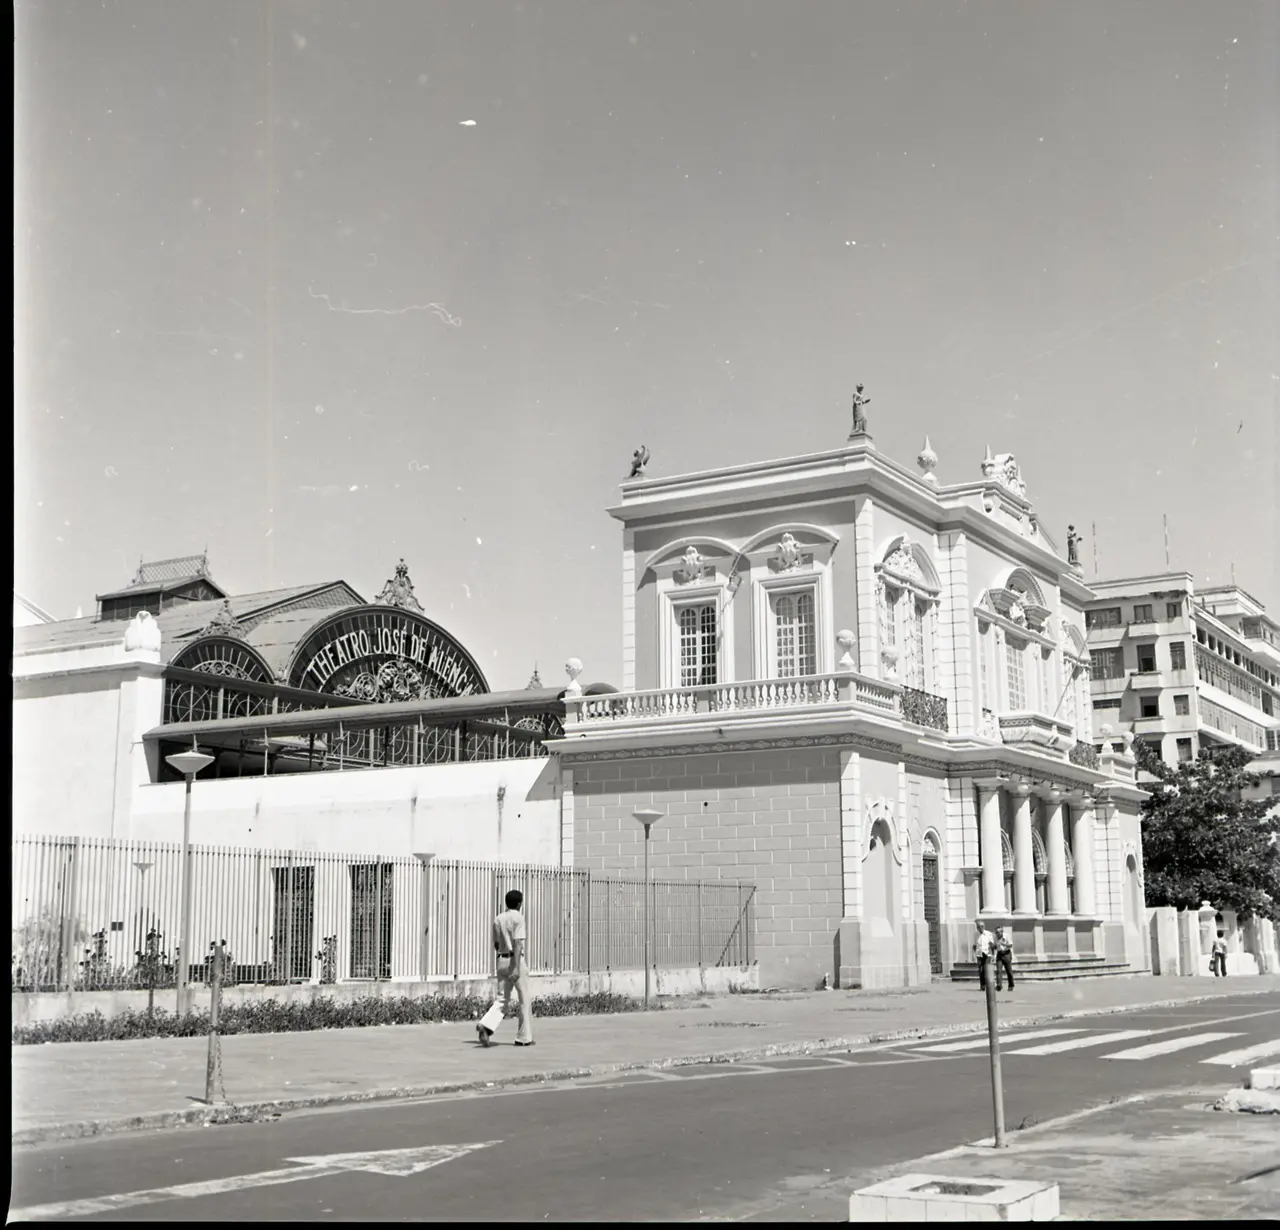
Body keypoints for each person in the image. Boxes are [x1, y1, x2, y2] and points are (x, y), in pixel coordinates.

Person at [477, 889, 534, 1047]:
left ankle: (486, 1024)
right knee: (524, 999)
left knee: (502, 998)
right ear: (519, 903)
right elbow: (518, 944)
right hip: (515, 961)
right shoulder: (518, 918)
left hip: (501, 959)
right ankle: (523, 1037)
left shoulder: (498, 918)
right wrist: (515, 967)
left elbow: (496, 943)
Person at [973, 920, 995, 991]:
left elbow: (992, 945)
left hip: (987, 954)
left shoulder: (988, 934)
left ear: (984, 926)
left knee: (987, 970)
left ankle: (989, 985)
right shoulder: (975, 934)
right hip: (979, 954)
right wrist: (973, 955)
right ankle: (982, 985)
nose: (980, 928)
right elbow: (974, 946)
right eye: (979, 926)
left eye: (982, 926)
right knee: (981, 970)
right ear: (977, 927)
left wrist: (993, 955)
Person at [994, 926, 1015, 992]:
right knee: (998, 970)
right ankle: (999, 985)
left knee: (1009, 970)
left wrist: (1004, 944)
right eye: (996, 932)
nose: (997, 934)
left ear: (1002, 932)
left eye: (999, 932)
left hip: (1006, 953)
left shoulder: (1007, 936)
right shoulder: (995, 938)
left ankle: (1011, 985)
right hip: (999, 954)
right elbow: (995, 947)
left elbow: (1011, 945)